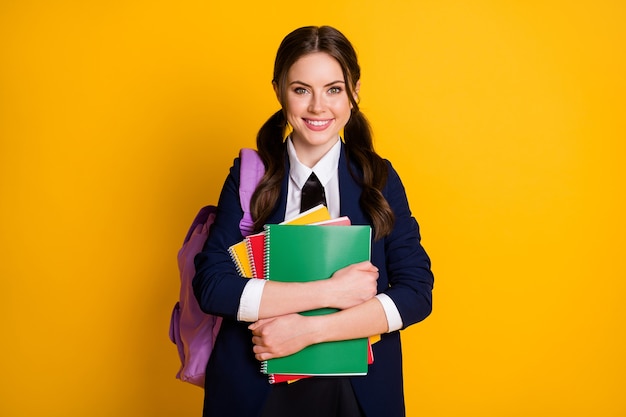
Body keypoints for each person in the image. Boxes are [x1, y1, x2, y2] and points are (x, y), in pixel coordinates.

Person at [193, 25, 434, 417]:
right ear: (279, 91)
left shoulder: (379, 179)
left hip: (358, 392)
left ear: (354, 92)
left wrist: (309, 331)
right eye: (301, 89)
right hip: (256, 389)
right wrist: (329, 293)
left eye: (333, 89)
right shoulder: (249, 176)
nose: (318, 107)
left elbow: (417, 292)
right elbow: (212, 286)